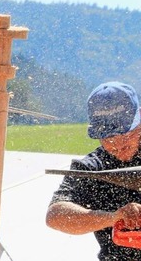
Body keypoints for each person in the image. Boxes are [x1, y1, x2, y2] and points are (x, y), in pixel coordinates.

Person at [46, 81, 141, 260]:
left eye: (126, 135)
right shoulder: (91, 168)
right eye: (110, 139)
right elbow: (55, 216)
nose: (119, 145)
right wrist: (114, 217)